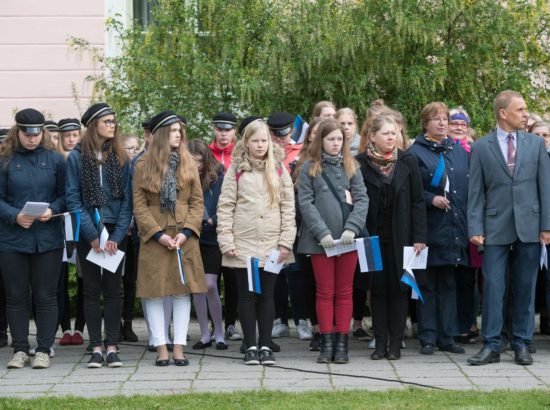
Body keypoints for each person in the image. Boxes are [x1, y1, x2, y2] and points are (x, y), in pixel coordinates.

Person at [467, 90, 550, 366]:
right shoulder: (481, 147)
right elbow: (475, 192)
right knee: (493, 286)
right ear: (503, 113)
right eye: (520, 109)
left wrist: (546, 225)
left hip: (530, 225)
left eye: (526, 109)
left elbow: (545, 188)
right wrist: (475, 226)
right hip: (494, 227)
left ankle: (522, 344)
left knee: (525, 287)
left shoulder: (536, 145)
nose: (525, 114)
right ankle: (491, 345)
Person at [217, 119, 296, 365]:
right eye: (255, 141)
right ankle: (250, 344)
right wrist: (226, 239)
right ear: (246, 142)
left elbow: (288, 207)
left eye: (264, 141)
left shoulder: (280, 169)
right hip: (244, 245)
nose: (260, 145)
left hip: (273, 245)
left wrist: (285, 242)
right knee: (247, 295)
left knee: (268, 295)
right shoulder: (237, 170)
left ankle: (265, 344)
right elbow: (226, 205)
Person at [133, 110, 205, 366]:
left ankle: (179, 347)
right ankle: (161, 345)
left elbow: (197, 202)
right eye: (173, 130)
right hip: (155, 238)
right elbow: (140, 206)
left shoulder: (188, 163)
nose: (179, 134)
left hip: (185, 237)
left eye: (180, 131)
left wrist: (186, 233)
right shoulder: (142, 165)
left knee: (182, 292)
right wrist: (158, 235)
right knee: (154, 292)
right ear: (162, 134)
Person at [66, 103, 133, 368]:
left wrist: (116, 234)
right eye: (107, 121)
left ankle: (113, 346)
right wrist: (93, 236)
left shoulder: (121, 156)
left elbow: (128, 200)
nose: (112, 125)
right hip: (89, 233)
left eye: (114, 121)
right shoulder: (76, 157)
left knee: (113, 290)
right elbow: (73, 199)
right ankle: (96, 346)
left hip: (115, 230)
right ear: (94, 125)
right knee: (91, 290)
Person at [297, 119, 369, 364]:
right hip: (321, 242)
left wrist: (352, 228)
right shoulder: (309, 168)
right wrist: (322, 233)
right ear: (321, 141)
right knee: (325, 292)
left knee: (345, 291)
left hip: (348, 240)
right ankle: (326, 343)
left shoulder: (353, 166)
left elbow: (362, 199)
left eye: (339, 139)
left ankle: (342, 343)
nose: (336, 143)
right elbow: (305, 203)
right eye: (330, 139)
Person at [355, 114, 427, 360]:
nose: (391, 137)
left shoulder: (408, 161)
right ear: (372, 136)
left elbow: (418, 202)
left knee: (399, 289)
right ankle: (380, 343)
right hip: (370, 238)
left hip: (403, 237)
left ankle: (395, 344)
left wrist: (419, 236)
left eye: (394, 133)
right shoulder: (359, 163)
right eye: (385, 133)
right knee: (376, 290)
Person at [0, 109, 66, 369]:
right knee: (16, 296)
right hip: (12, 239)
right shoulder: (5, 160)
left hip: (47, 238)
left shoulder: (56, 160)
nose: (32, 139)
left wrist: (53, 210)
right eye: (27, 134)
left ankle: (43, 349)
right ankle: (19, 349)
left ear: (43, 132)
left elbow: (65, 195)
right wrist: (14, 216)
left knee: (46, 296)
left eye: (36, 134)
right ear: (18, 132)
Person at [409, 102, 469, 356]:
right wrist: (430, 198)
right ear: (425, 123)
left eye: (444, 118)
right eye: (436, 119)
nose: (442, 123)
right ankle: (428, 337)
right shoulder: (415, 153)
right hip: (428, 228)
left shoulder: (458, 152)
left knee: (449, 283)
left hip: (454, 228)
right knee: (427, 284)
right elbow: (410, 192)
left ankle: (448, 336)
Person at [266, 112, 311, 341]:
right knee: (275, 270)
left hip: (294, 217)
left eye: (283, 133)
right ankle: (279, 320)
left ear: (291, 131)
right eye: (274, 133)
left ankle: (302, 320)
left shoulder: (302, 153)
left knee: (295, 272)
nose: (279, 138)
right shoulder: (264, 154)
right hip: (270, 218)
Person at [187, 139, 228, 350]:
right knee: (197, 288)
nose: (197, 166)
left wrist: (213, 219)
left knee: (210, 285)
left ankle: (219, 332)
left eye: (200, 161)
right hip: (192, 237)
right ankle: (204, 334)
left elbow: (227, 203)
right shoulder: (183, 176)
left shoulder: (219, 176)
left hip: (212, 238)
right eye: (192, 161)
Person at [209, 112, 242, 343]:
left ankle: (230, 323)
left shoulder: (240, 155)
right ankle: (213, 324)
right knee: (211, 279)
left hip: (235, 226)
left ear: (234, 132)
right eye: (220, 129)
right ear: (214, 129)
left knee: (233, 278)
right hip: (210, 226)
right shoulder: (204, 154)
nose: (223, 134)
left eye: (228, 130)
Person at [291, 118, 323, 350]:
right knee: (310, 283)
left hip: (335, 232)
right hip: (305, 231)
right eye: (314, 133)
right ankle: (317, 329)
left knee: (330, 285)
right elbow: (296, 202)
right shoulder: (299, 164)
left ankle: (333, 328)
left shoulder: (343, 164)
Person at [55, 118, 86, 347]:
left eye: (75, 135)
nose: (72, 139)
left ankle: (80, 328)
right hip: (60, 225)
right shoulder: (56, 160)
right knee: (60, 279)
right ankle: (65, 328)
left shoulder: (84, 158)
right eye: (67, 136)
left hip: (82, 225)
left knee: (86, 279)